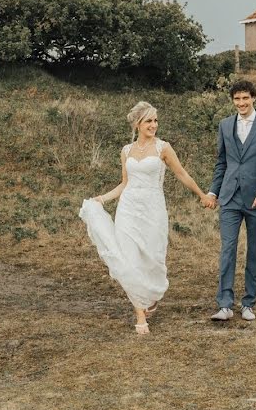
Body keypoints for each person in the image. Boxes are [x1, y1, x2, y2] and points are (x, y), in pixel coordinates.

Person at [79, 101, 211, 334]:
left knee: (153, 259)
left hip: (153, 211)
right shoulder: (126, 151)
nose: (154, 125)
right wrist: (102, 198)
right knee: (129, 259)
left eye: (155, 120)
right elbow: (124, 183)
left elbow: (181, 174)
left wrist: (201, 194)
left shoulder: (163, 148)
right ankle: (140, 314)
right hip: (128, 210)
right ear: (137, 124)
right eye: (148, 121)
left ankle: (149, 296)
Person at [203, 80, 256, 321]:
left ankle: (248, 304)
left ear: (254, 98)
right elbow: (222, 163)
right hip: (230, 197)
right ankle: (225, 304)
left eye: (245, 98)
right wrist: (214, 192)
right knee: (227, 249)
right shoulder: (225, 125)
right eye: (237, 99)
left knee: (254, 251)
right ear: (233, 101)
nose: (241, 103)